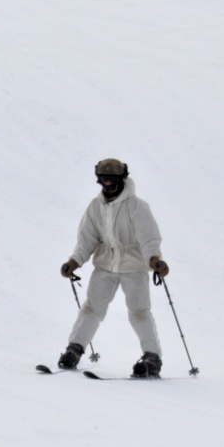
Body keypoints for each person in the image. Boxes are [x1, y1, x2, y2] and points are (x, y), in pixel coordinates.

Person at [57, 158, 170, 378]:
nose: (107, 183)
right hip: (105, 267)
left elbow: (149, 240)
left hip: (134, 267)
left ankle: (152, 357)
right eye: (103, 178)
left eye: (112, 178)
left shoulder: (136, 206)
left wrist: (155, 259)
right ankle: (74, 349)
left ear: (123, 178)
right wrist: (75, 261)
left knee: (139, 311)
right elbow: (86, 240)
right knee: (91, 308)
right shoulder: (95, 207)